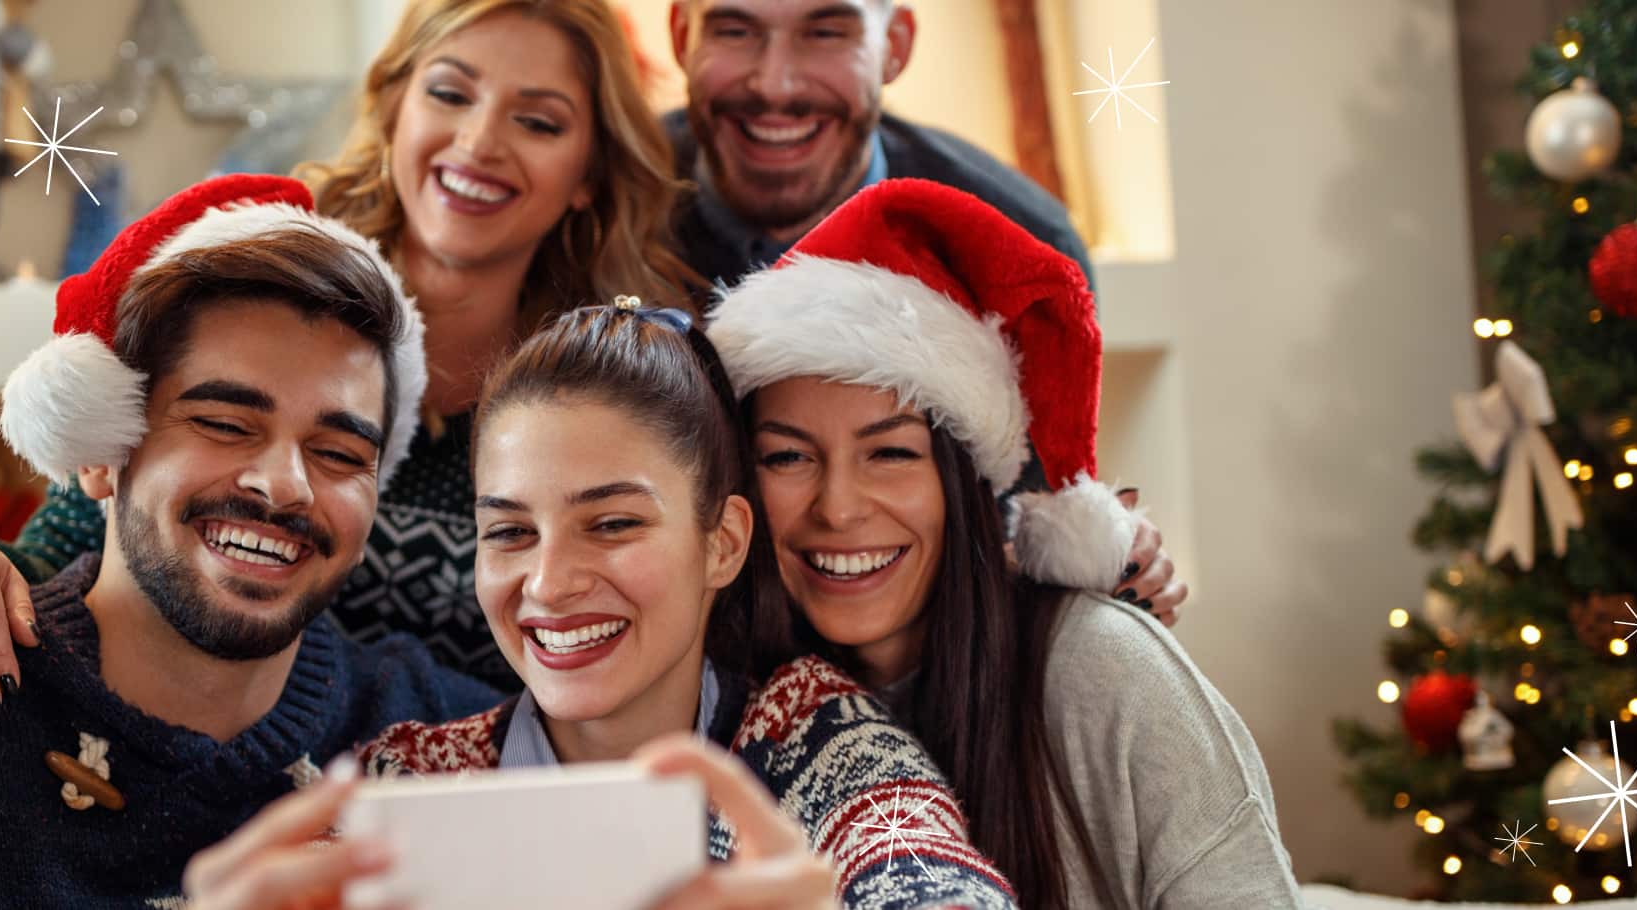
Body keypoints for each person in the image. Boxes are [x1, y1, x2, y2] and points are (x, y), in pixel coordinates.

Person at [0, 0, 699, 695]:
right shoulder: (256, 285)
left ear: (589, 173)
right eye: (449, 94)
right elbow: (77, 542)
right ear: (394, 106)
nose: (479, 142)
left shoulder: (602, 393)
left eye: (538, 122)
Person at [180, 302, 1017, 910]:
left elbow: (927, 876)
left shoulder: (816, 739)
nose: (548, 584)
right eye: (511, 533)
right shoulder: (411, 780)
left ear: (723, 542)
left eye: (612, 524)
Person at [707, 178, 1302, 909]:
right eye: (788, 457)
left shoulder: (1103, 669)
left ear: (962, 483)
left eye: (890, 453)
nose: (838, 508)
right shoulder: (735, 708)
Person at [0, 174, 501, 908]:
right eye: (226, 425)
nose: (285, 485)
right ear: (102, 455)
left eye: (339, 453)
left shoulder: (454, 745)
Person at [663, 0, 1092, 292]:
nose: (775, 86)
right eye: (735, 32)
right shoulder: (619, 197)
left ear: (894, 45)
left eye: (826, 33)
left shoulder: (1026, 252)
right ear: (683, 38)